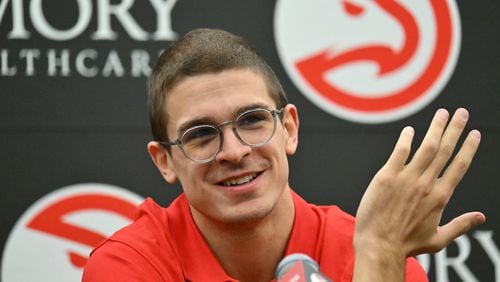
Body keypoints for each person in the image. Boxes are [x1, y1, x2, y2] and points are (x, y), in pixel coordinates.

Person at [82, 28, 485, 282]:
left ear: (289, 128)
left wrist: (379, 256)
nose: (235, 151)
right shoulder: (129, 266)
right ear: (165, 160)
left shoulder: (370, 250)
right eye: (202, 134)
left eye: (253, 120)